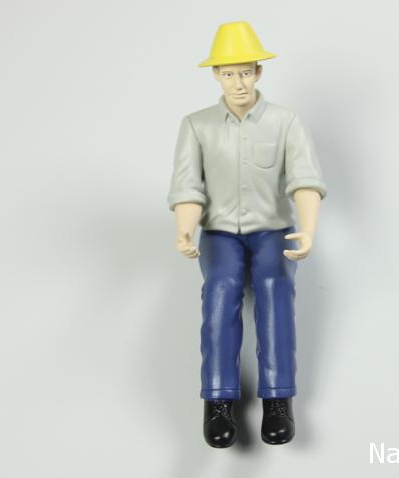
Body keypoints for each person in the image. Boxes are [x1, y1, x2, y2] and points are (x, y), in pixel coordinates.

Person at [167, 21, 326, 447]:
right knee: (221, 288)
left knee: (274, 286)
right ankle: (218, 399)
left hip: (273, 229)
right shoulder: (197, 125)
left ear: (258, 72)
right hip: (220, 232)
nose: (237, 82)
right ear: (216, 75)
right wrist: (185, 229)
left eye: (244, 72)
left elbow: (305, 179)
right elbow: (188, 186)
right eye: (228, 73)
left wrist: (307, 229)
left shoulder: (285, 122)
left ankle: (278, 397)